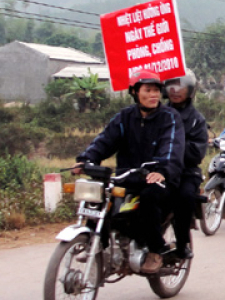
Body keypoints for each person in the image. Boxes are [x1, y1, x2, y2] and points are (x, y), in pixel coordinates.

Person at [73, 69, 185, 274]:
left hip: (159, 178)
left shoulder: (169, 117)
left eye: (156, 91)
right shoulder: (124, 117)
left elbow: (171, 147)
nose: (153, 95)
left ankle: (155, 249)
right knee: (97, 197)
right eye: (148, 90)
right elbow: (105, 140)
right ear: (134, 92)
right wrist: (86, 160)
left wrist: (162, 170)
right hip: (127, 176)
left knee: (150, 197)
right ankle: (98, 244)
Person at [164, 69, 208, 259]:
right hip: (156, 169)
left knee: (184, 197)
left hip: (185, 171)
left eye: (180, 85)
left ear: (190, 91)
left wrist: (174, 149)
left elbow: (197, 153)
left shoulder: (196, 120)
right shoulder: (157, 114)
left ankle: (182, 244)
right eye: (171, 84)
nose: (175, 89)